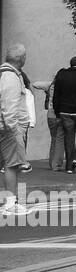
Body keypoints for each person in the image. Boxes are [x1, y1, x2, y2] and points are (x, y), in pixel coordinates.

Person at [0, 45, 33, 216]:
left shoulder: (8, 75)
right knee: (12, 165)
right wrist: (14, 129)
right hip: (9, 129)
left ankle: (10, 201)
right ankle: (10, 203)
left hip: (7, 127)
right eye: (25, 55)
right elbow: (9, 105)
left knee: (9, 165)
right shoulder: (11, 77)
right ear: (21, 59)